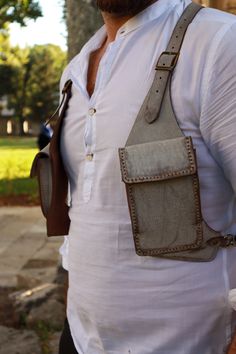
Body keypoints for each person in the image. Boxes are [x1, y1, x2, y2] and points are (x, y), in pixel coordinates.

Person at [57, 0, 236, 353]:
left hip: (194, 342)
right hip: (80, 336)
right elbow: (88, 206)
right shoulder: (75, 71)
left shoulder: (219, 43)